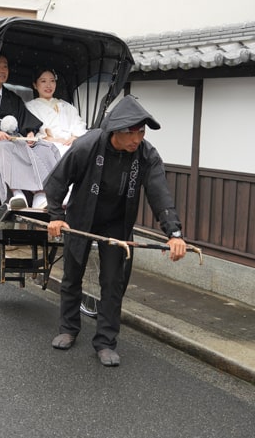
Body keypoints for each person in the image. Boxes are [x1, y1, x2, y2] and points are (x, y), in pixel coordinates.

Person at [45, 94, 187, 367]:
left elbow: (160, 195)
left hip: (117, 222)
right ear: (114, 131)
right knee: (72, 274)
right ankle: (68, 328)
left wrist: (174, 234)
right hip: (81, 215)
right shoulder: (87, 145)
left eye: (141, 132)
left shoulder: (147, 155)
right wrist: (55, 216)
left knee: (113, 281)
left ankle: (106, 341)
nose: (137, 138)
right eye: (130, 132)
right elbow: (58, 181)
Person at [0, 55, 60, 209]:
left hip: (15, 136)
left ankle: (41, 194)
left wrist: (29, 133)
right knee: (5, 147)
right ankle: (16, 193)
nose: (2, 70)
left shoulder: (12, 97)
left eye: (5, 66)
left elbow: (24, 118)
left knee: (44, 147)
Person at [26, 68, 87, 156]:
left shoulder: (66, 106)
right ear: (35, 85)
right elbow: (33, 133)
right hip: (46, 148)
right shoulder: (30, 107)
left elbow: (79, 125)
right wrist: (53, 140)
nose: (48, 85)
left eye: (52, 81)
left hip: (72, 146)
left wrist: (75, 137)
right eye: (43, 81)